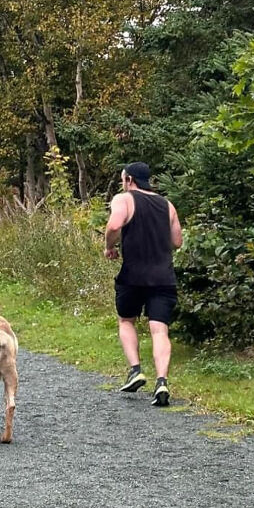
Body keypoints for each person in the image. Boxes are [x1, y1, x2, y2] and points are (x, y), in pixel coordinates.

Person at [104, 161, 183, 407]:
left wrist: (109, 246)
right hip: (164, 277)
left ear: (129, 180)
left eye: (122, 179)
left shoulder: (124, 199)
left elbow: (115, 225)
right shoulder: (167, 205)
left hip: (133, 275)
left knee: (126, 320)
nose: (122, 183)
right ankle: (162, 381)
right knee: (160, 330)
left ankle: (136, 369)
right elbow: (177, 241)